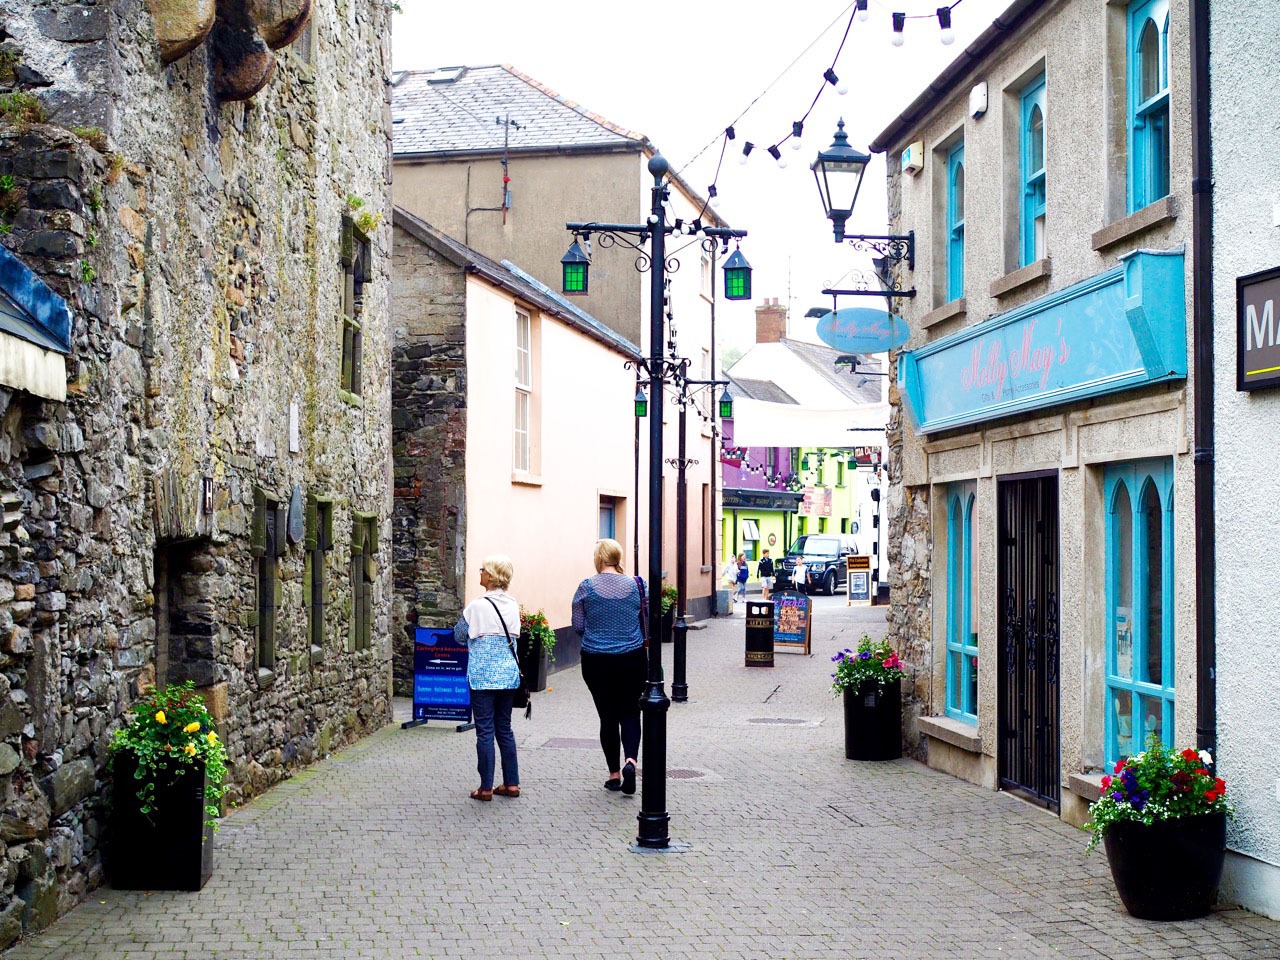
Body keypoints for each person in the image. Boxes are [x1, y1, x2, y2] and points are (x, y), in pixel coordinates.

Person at [572, 538, 646, 795]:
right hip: (632, 658)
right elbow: (647, 618)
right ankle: (631, 762)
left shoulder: (586, 587)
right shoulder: (638, 585)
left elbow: (578, 626)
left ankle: (614, 774)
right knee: (631, 712)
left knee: (607, 717)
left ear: (599, 558)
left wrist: (598, 632)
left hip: (596, 660)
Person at [455, 555, 522, 802]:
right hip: (507, 676)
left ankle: (485, 788)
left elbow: (458, 635)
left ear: (491, 576)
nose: (480, 573)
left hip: (482, 677)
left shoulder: (476, 606)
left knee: (484, 731)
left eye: (483, 569)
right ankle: (512, 784)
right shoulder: (513, 605)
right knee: (504, 728)